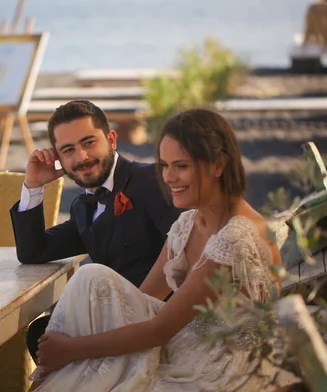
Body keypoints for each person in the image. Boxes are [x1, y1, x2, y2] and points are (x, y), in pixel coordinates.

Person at [28, 108, 284, 391]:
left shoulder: (235, 236)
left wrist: (73, 349)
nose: (169, 177)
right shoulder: (187, 224)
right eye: (164, 165)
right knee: (91, 278)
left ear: (218, 166)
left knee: (81, 368)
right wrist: (32, 186)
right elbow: (144, 298)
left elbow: (159, 329)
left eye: (182, 166)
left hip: (220, 366)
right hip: (179, 339)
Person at [9, 100, 182, 362]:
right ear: (58, 158)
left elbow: (186, 255)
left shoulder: (151, 180)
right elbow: (34, 251)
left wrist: (133, 316)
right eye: (68, 150)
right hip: (115, 323)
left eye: (89, 142)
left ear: (111, 139)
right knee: (42, 333)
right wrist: (33, 186)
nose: (81, 157)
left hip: (159, 326)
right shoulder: (82, 207)